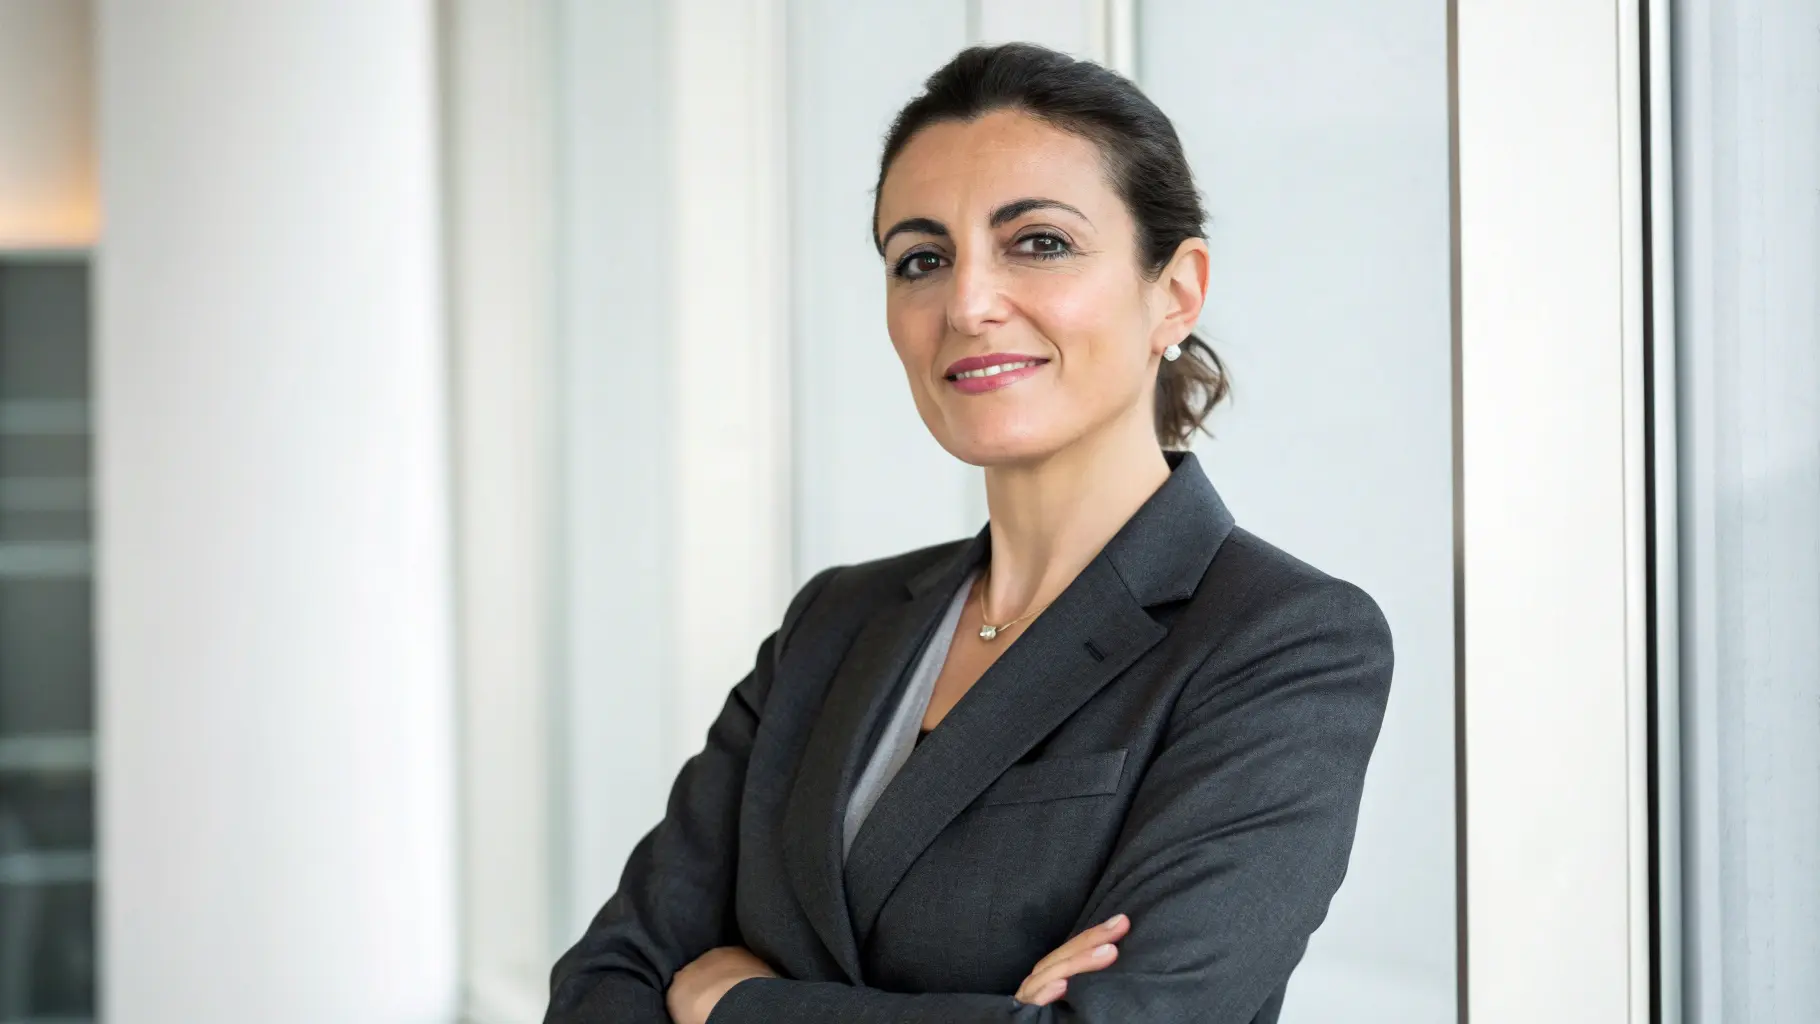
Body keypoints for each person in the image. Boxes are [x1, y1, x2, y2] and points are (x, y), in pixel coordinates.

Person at [545, 42, 1393, 1024]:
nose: (967, 303)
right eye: (922, 259)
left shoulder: (1281, 640)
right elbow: (599, 987)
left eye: (1037, 241)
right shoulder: (832, 622)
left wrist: (733, 1002)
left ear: (1175, 291)